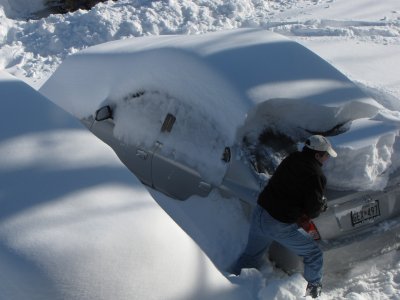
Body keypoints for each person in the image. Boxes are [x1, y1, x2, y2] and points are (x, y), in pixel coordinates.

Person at [233, 135, 337, 298]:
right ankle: (313, 292)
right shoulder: (316, 175)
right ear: (317, 155)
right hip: (278, 225)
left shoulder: (293, 158)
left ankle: (232, 285)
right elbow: (313, 210)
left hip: (260, 213)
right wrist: (321, 204)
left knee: (250, 257)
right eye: (326, 154)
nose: (327, 158)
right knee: (313, 254)